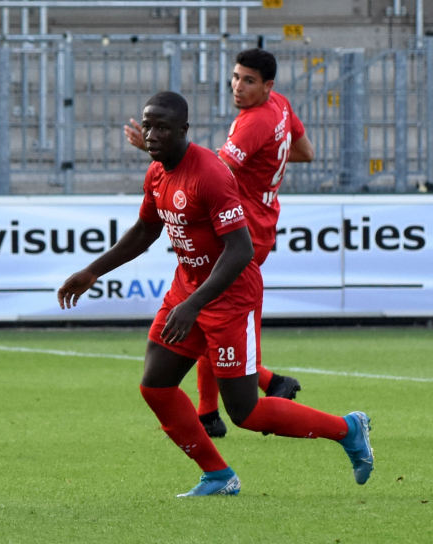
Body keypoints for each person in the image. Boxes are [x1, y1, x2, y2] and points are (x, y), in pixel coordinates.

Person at [59, 91, 373, 497]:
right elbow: (145, 231)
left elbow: (240, 250)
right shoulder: (157, 172)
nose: (152, 134)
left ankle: (347, 428)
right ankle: (218, 475)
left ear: (183, 131)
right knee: (155, 386)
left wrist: (195, 304)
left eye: (162, 127)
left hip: (229, 299)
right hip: (187, 289)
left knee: (245, 412)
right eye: (148, 124)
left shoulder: (210, 173)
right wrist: (92, 271)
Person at [124, 48, 313, 438]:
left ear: (268, 85)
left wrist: (152, 147)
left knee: (214, 310)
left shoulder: (252, 123)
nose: (237, 87)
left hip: (239, 233)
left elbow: (214, 168)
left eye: (248, 80)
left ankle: (250, 389)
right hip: (260, 220)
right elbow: (304, 152)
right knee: (208, 309)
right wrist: (267, 165)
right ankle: (213, 410)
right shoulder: (281, 106)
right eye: (235, 77)